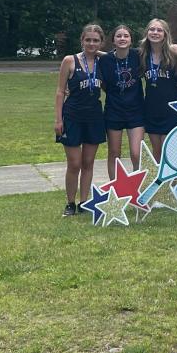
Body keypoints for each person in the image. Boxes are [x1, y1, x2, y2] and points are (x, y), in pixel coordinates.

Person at [54, 24, 106, 216]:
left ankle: (84, 202)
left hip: (94, 117)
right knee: (74, 163)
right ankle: (70, 202)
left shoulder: (103, 62)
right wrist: (58, 120)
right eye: (88, 40)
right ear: (81, 40)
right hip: (72, 116)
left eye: (95, 40)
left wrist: (100, 53)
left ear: (101, 42)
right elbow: (60, 91)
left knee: (88, 162)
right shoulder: (70, 60)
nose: (91, 43)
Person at [99, 24, 144, 179]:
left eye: (126, 36)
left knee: (136, 152)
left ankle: (138, 186)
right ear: (113, 40)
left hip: (136, 111)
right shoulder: (105, 60)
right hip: (114, 111)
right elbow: (103, 84)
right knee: (114, 153)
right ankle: (115, 189)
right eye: (119, 36)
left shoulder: (138, 55)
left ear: (131, 40)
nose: (122, 38)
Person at [140, 18, 177, 161]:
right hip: (152, 108)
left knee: (169, 150)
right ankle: (160, 183)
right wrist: (97, 53)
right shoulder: (141, 54)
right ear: (147, 32)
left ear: (165, 34)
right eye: (152, 29)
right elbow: (117, 56)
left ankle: (172, 183)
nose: (155, 32)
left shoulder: (175, 52)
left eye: (159, 30)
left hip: (172, 108)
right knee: (157, 151)